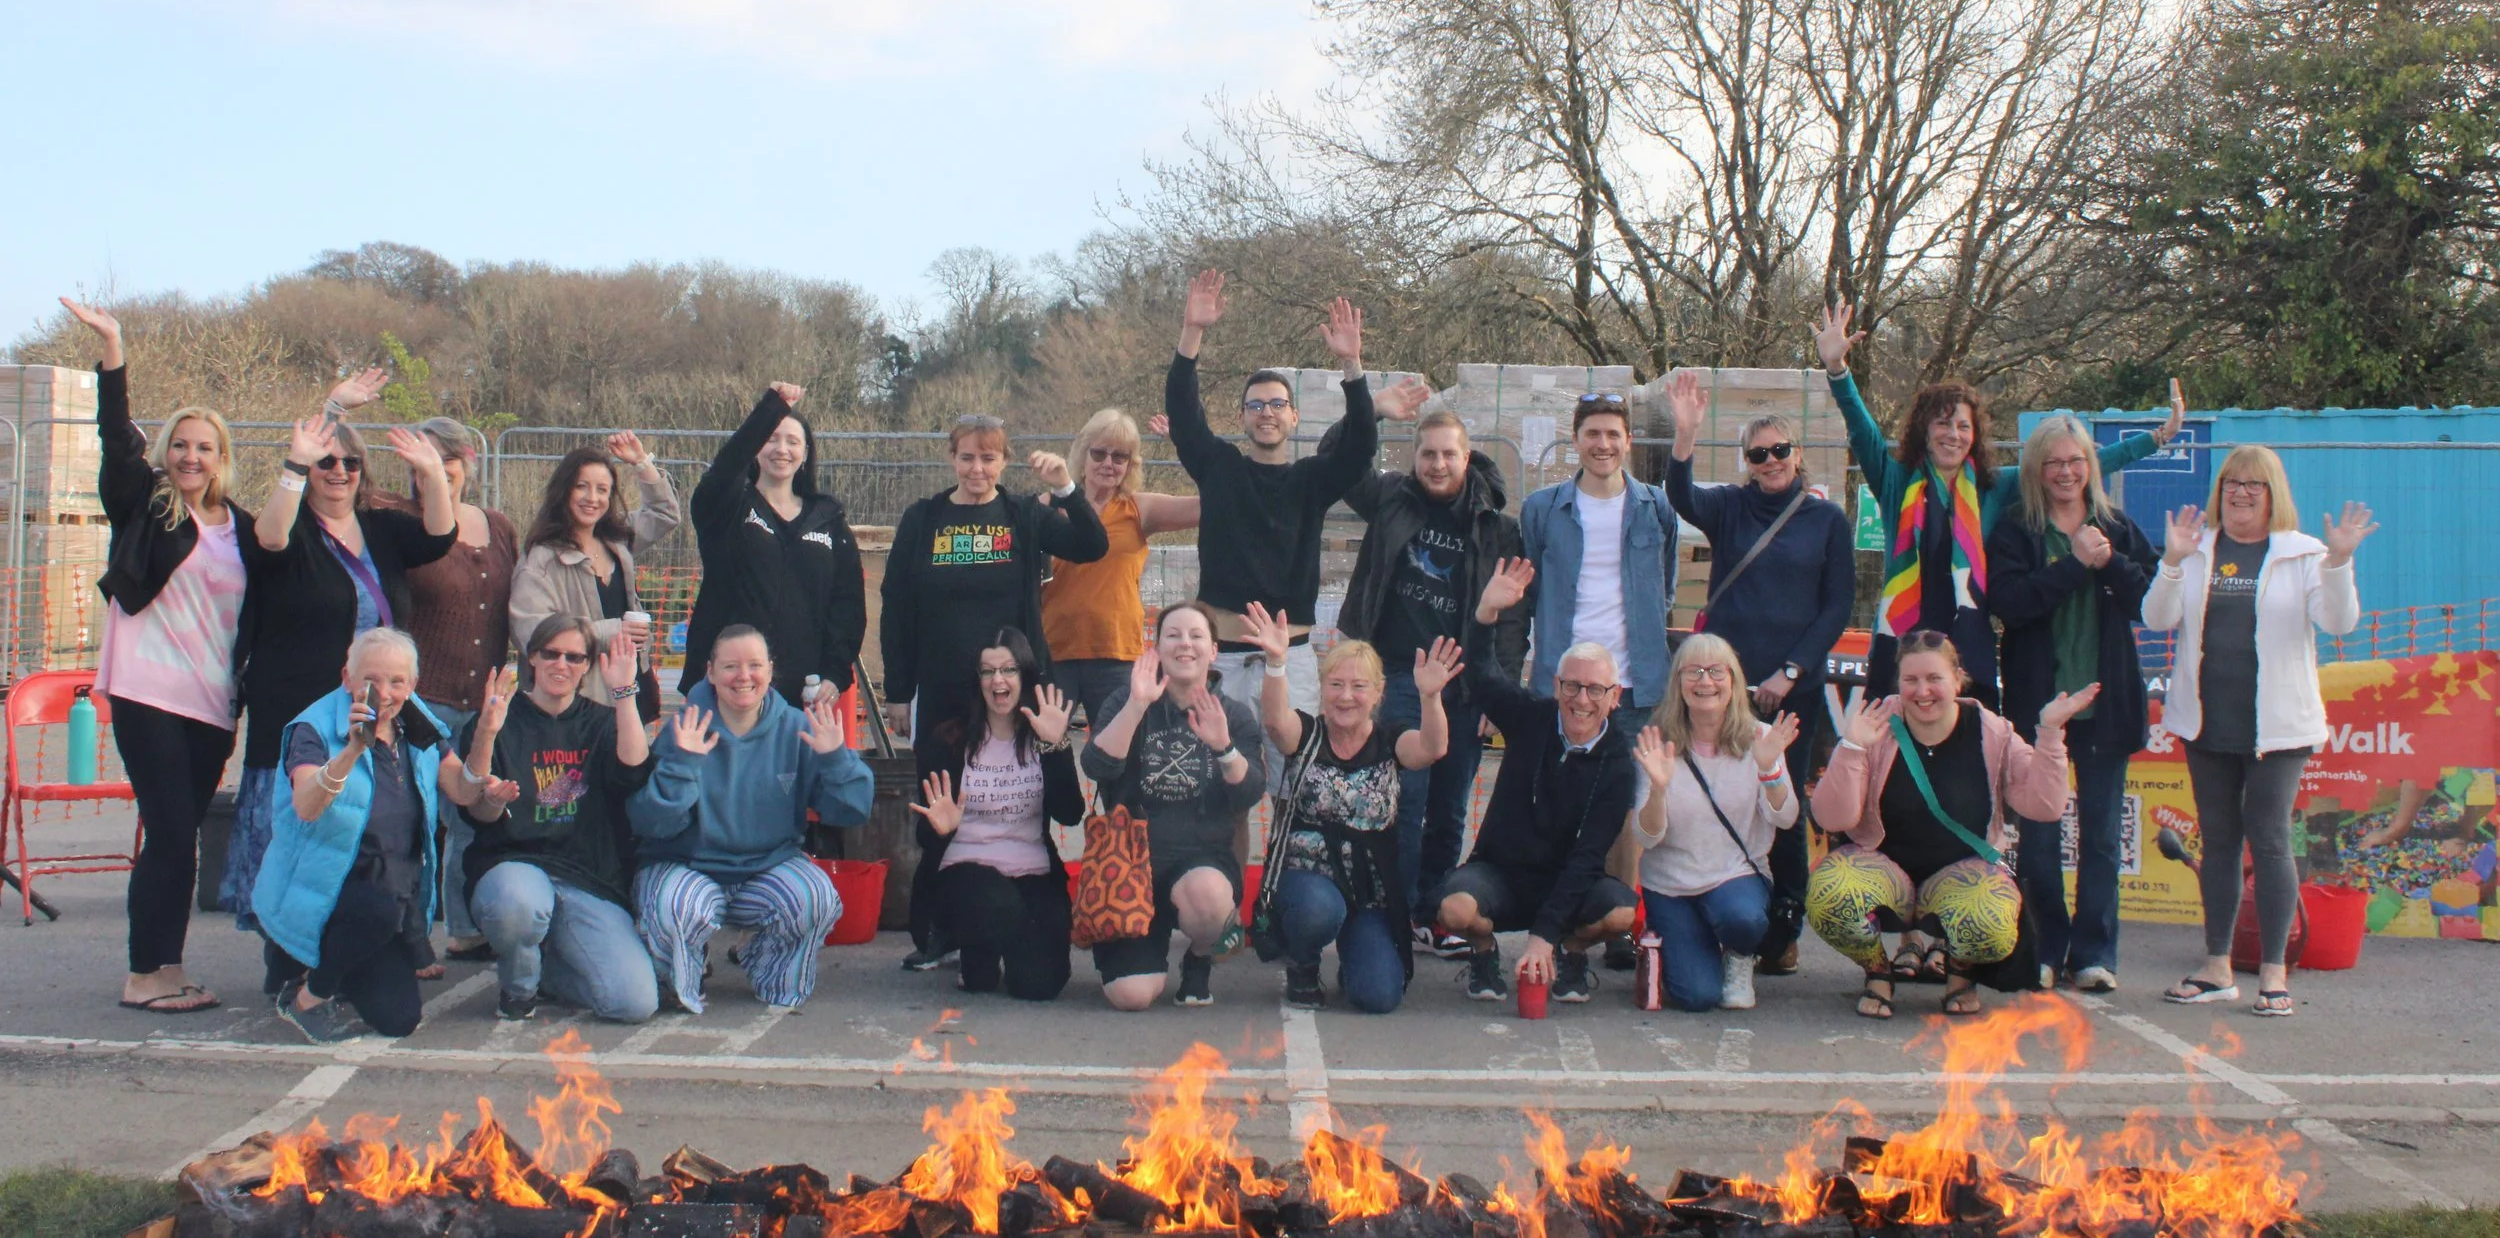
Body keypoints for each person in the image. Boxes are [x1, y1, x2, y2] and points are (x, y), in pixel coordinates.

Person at [1812, 304, 2179, 705]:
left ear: (1975, 435)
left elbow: (2073, 465)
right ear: (1923, 429)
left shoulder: (1994, 486)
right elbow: (1863, 431)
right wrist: (1838, 371)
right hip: (1903, 636)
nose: (1952, 434)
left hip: (1968, 641)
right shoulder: (1896, 480)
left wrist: (2155, 438)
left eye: (1963, 425)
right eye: (1942, 423)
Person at [222, 385, 457, 967]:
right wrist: (296, 462)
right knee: (303, 832)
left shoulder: (380, 529)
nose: (340, 471)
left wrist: (432, 474)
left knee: (374, 826)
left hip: (377, 710)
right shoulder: (292, 527)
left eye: (351, 463)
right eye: (327, 462)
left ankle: (374, 937)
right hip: (300, 707)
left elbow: (440, 535)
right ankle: (292, 955)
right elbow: (268, 538)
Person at [68, 298, 256, 1015]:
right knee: (172, 832)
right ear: (166, 452)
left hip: (212, 701)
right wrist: (113, 349)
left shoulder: (238, 526)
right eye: (180, 444)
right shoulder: (146, 505)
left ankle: (169, 967)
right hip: (149, 691)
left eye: (204, 447)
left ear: (222, 459)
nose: (190, 456)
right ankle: (144, 973)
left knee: (184, 843)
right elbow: (117, 440)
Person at [2144, 446, 2374, 1017]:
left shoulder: (2305, 554)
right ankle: (2217, 967)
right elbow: (2156, 618)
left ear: (2274, 493)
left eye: (2254, 484)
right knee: (2219, 841)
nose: (2241, 493)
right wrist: (2171, 562)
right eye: (2231, 483)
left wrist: (2340, 564)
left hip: (2279, 727)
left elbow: (2340, 623)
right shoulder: (2195, 550)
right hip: (2206, 722)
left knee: (2268, 839)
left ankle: (2274, 972)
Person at [881, 416, 1108, 967]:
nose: (977, 469)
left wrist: (1067, 489)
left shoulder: (1023, 515)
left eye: (988, 458)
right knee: (941, 810)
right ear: (951, 459)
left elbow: (1091, 545)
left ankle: (1028, 900)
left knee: (1021, 800)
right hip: (943, 691)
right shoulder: (924, 519)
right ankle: (938, 927)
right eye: (966, 458)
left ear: (1004, 462)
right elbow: (897, 606)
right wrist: (897, 688)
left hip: (1012, 689)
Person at [1661, 369, 1852, 975]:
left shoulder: (1826, 521)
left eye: (1779, 450)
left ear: (1798, 453)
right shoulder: (1732, 506)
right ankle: (1713, 909)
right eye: (1757, 453)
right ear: (1746, 460)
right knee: (1717, 796)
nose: (1770, 461)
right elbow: (1681, 496)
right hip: (1723, 689)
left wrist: (1790, 672)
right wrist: (1686, 434)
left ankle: (1781, 928)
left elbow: (1836, 606)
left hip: (1790, 690)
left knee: (1782, 804)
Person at [1164, 270, 1383, 783]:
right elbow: (1183, 413)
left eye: (1277, 404)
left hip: (1294, 663)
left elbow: (1360, 444)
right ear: (1242, 417)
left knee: (1298, 788)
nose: (1267, 413)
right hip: (1225, 663)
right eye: (1256, 405)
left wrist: (1352, 365)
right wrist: (1191, 333)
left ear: (1294, 417)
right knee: (1221, 797)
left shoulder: (1312, 479)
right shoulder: (1219, 468)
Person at [1806, 632, 2094, 1020]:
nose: (1922, 691)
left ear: (1957, 680)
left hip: (1962, 874)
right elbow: (1832, 819)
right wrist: (1852, 748)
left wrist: (2050, 734)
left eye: (1934, 679)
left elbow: (2043, 806)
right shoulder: (1875, 724)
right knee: (1829, 892)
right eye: (1911, 681)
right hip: (1883, 874)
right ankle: (1877, 971)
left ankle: (1961, 972)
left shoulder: (1992, 731)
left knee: (1993, 918)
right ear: (1899, 683)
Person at [1331, 397, 1528, 960]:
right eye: (1427, 454)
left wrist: (1502, 687)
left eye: (1448, 455)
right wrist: (1371, 408)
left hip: (1465, 683)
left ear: (1468, 459)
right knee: (1404, 800)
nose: (1437, 465)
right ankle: (1398, 908)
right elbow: (1337, 460)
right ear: (1412, 456)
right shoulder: (1391, 499)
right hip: (1397, 676)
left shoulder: (1496, 527)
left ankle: (1434, 913)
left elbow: (1513, 616)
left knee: (1449, 806)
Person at [1988, 410, 2163, 993]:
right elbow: (2010, 604)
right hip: (2041, 712)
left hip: (2107, 708)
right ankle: (2045, 946)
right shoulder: (2017, 530)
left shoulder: (2115, 524)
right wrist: (2074, 565)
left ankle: (2094, 954)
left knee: (2103, 838)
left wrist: (2109, 560)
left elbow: (2151, 604)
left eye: (2075, 461)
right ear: (2036, 470)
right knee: (2038, 837)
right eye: (2054, 462)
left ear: (2090, 466)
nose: (2065, 472)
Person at [630, 626, 874, 1013]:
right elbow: (651, 824)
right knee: (675, 909)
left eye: (754, 665)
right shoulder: (685, 728)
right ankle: (678, 980)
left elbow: (851, 811)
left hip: (766, 866)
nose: (743, 677)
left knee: (817, 899)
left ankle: (766, 966)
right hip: (689, 866)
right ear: (710, 672)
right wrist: (684, 768)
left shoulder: (797, 727)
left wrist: (836, 760)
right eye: (730, 666)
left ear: (771, 670)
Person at [1429, 559, 1640, 1003]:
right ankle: (1483, 953)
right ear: (1556, 685)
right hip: (1501, 874)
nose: (1581, 700)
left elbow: (1588, 858)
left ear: (1614, 697)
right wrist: (1485, 613)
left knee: (1622, 912)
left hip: (1568, 880)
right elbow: (1483, 676)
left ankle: (1573, 952)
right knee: (1453, 908)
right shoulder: (1531, 717)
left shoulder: (1619, 762)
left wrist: (1544, 935)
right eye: (1571, 687)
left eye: (1595, 690)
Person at [1241, 604, 1460, 1012]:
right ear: (1323, 690)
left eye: (1359, 686)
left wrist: (1430, 697)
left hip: (1370, 890)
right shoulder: (1306, 734)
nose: (1346, 696)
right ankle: (1303, 963)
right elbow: (1274, 722)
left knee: (1378, 996)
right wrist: (1276, 663)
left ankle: (1356, 958)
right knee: (1320, 910)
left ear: (1378, 693)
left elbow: (1433, 748)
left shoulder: (1392, 739)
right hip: (1307, 881)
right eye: (1336, 684)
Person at [443, 617, 658, 1023]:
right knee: (520, 906)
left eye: (575, 657)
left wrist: (624, 694)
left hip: (585, 876)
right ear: (532, 659)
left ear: (587, 665)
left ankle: (548, 973)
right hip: (515, 869)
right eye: (551, 654)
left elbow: (634, 771)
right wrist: (489, 778)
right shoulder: (498, 719)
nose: (562, 664)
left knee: (634, 1003)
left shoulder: (599, 721)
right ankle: (519, 987)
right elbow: (479, 813)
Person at [252, 629, 450, 1043]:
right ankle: (306, 993)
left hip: (385, 896)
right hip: (324, 889)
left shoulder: (414, 722)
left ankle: (321, 963)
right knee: (374, 911)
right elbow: (306, 805)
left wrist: (486, 729)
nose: (384, 692)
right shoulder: (315, 727)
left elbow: (465, 790)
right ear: (347, 677)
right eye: (370, 680)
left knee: (399, 1019)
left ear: (412, 685)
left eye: (397, 681)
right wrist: (351, 752)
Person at [1079, 602, 1267, 1010]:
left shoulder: (1233, 716)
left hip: (1200, 862)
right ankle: (1138, 945)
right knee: (1132, 997)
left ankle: (1199, 958)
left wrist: (1224, 747)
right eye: (1174, 635)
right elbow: (1096, 766)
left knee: (1210, 900)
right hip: (1129, 867)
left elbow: (1250, 792)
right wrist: (1136, 706)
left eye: (1197, 636)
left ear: (1214, 650)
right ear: (1157, 646)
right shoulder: (1126, 699)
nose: (1186, 644)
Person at [383, 417, 519, 966]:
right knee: (415, 822)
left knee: (471, 819)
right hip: (423, 698)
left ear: (468, 466)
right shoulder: (400, 522)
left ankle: (464, 929)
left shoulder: (498, 525)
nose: (435, 475)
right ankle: (409, 938)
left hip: (480, 702)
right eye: (424, 465)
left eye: (446, 464)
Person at [1625, 635, 1802, 1012]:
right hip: (1670, 884)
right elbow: (1647, 837)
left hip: (1734, 875)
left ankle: (1739, 957)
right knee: (1696, 997)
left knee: (1743, 921)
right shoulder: (1657, 742)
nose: (1705, 682)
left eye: (1716, 671)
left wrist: (1769, 768)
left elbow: (1785, 818)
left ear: (1734, 681)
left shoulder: (1761, 738)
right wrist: (1657, 789)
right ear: (1678, 684)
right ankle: (1673, 943)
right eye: (1693, 672)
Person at [907, 630, 1082, 1001]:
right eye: (987, 672)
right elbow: (926, 834)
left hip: (1032, 871)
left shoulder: (1042, 735)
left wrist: (1056, 745)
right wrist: (942, 829)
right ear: (977, 681)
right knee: (995, 904)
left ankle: (1007, 953)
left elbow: (1070, 813)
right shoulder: (949, 740)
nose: (998, 680)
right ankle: (974, 950)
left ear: (1025, 676)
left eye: (1008, 670)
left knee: (1040, 986)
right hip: (964, 872)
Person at [678, 382, 866, 705]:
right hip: (727, 687)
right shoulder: (729, 505)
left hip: (800, 692)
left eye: (792, 441)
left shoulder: (830, 520)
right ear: (755, 448)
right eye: (771, 438)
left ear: (806, 454)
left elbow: (847, 604)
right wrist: (771, 409)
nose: (781, 449)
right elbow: (722, 472)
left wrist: (835, 674)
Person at [1039, 408, 1200, 728]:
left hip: (1117, 654)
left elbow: (1216, 503)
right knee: (1045, 753)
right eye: (1099, 453)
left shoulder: (1139, 508)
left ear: (1131, 465)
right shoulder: (1046, 508)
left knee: (1119, 760)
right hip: (1055, 653)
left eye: (1120, 456)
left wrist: (1187, 444)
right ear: (1082, 454)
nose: (1108, 464)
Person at [509, 434, 684, 724]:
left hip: (629, 690)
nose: (593, 498)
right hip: (577, 703)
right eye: (582, 487)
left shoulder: (616, 541)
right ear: (563, 492)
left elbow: (664, 514)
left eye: (603, 490)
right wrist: (612, 631)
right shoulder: (541, 560)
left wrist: (641, 463)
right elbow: (531, 633)